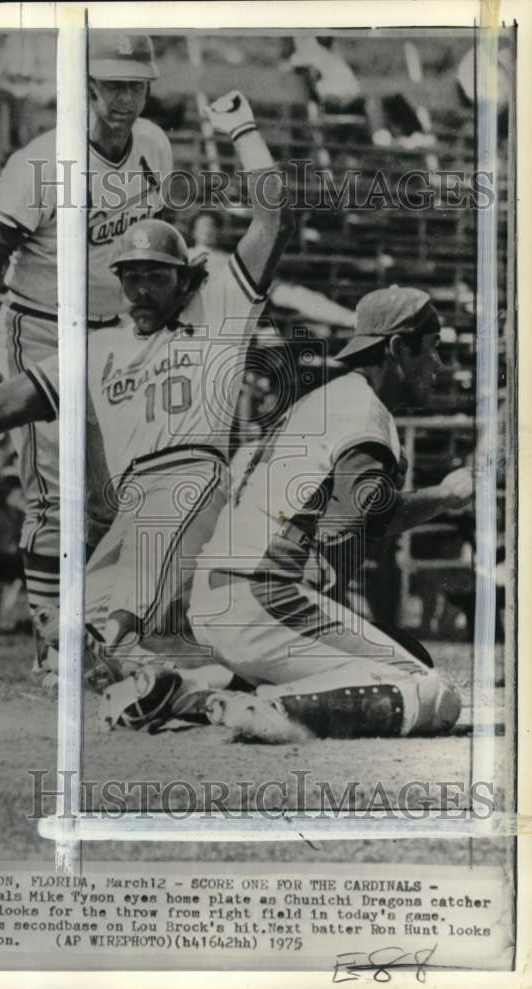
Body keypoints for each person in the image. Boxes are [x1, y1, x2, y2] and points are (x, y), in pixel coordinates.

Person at [0, 89, 294, 684]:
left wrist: (244, 129)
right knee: (97, 644)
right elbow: (26, 395)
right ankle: (187, 672)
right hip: (136, 515)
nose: (142, 289)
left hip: (199, 493)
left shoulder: (222, 304)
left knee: (117, 622)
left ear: (184, 277)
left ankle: (138, 644)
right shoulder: (105, 341)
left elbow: (274, 217)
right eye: (130, 276)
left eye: (156, 276)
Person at [174, 286, 472, 741]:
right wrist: (444, 495)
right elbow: (356, 524)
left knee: (406, 656)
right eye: (431, 349)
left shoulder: (329, 400)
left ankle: (188, 690)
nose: (439, 365)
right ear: (396, 348)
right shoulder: (366, 415)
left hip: (221, 597)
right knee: (432, 692)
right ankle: (270, 706)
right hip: (263, 596)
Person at [0, 33, 173, 668]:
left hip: (114, 335)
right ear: (86, 87)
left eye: (135, 85)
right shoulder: (42, 160)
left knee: (119, 494)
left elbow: (151, 242)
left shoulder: (155, 147)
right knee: (56, 496)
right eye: (112, 85)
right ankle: (53, 647)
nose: (124, 99)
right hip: (40, 328)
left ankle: (100, 637)